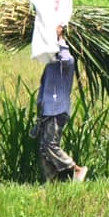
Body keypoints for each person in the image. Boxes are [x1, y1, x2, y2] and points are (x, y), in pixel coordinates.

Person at [34, 24, 88, 183]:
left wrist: (59, 37)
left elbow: (65, 56)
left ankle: (76, 169)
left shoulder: (67, 61)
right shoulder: (52, 62)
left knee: (50, 145)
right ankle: (53, 181)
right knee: (44, 149)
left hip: (57, 110)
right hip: (47, 110)